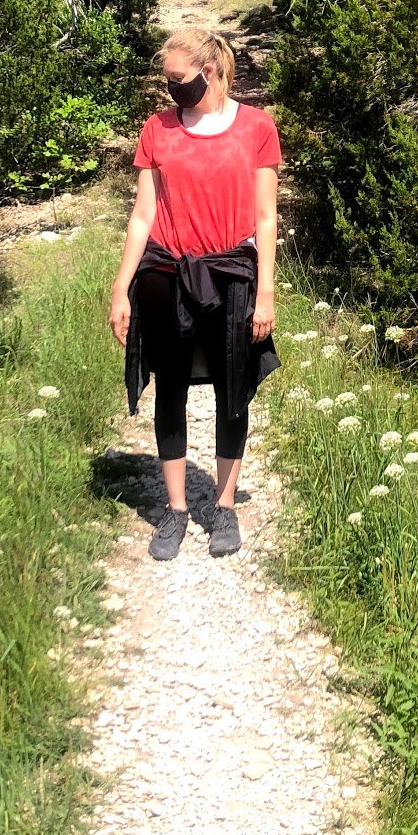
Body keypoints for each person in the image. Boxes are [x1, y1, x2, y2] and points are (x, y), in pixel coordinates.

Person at [109, 28, 281, 560]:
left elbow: (266, 217)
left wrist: (266, 291)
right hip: (166, 276)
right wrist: (120, 287)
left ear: (209, 71)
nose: (171, 90)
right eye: (167, 81)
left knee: (234, 387)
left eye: (178, 80)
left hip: (233, 275)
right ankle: (176, 511)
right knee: (172, 390)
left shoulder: (256, 127)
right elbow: (143, 215)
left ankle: (224, 506)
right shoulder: (156, 130)